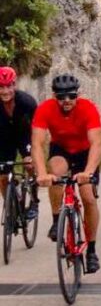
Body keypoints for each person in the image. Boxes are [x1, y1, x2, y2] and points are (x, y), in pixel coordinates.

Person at [31, 74, 101, 273]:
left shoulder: (88, 108)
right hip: (61, 149)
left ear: (77, 94)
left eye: (71, 96)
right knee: (55, 172)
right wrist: (41, 173)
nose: (67, 101)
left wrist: (88, 172)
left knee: (88, 197)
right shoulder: (45, 108)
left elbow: (96, 143)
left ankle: (92, 251)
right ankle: (56, 221)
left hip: (85, 152)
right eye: (61, 97)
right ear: (54, 96)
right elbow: (37, 144)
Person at [0, 66, 38, 217]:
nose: (5, 91)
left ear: (14, 85)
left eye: (9, 86)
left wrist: (33, 152)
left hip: (25, 136)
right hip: (4, 138)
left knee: (29, 164)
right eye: (1, 87)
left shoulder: (27, 102)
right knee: (2, 176)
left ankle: (34, 199)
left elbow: (38, 129)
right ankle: (11, 205)